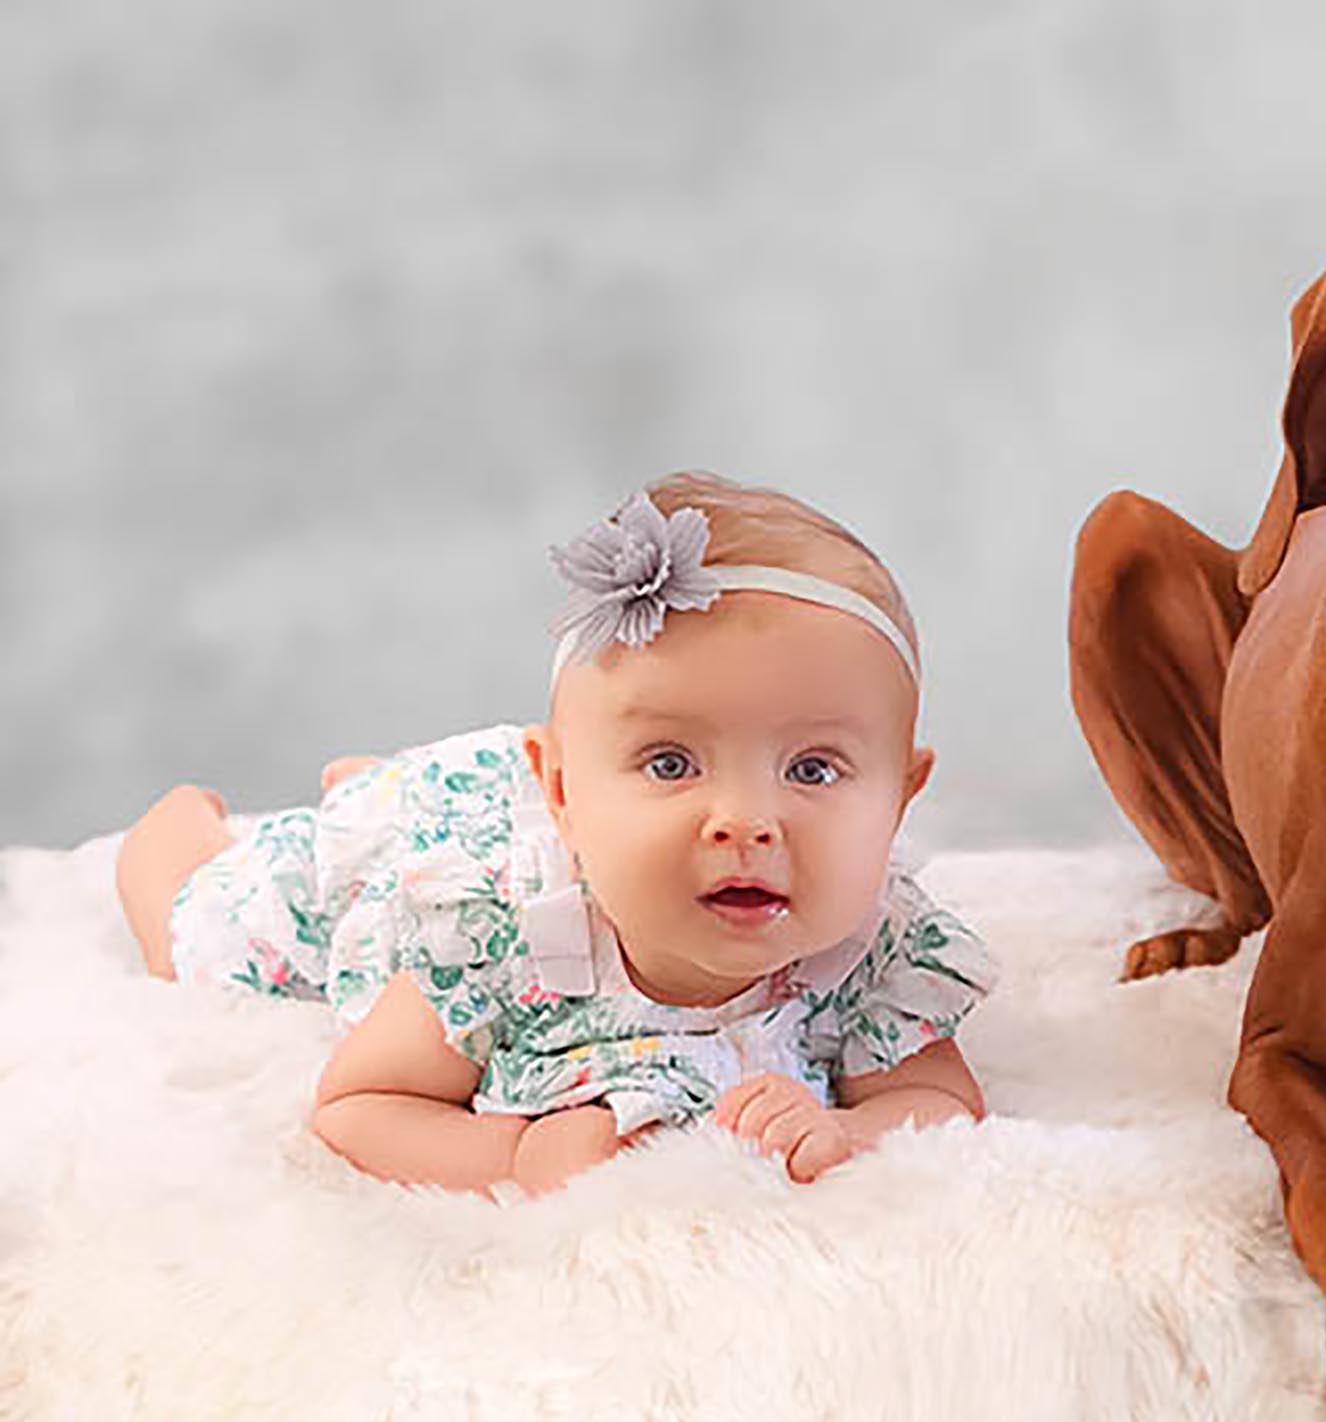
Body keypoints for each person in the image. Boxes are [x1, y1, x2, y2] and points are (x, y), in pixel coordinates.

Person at [114, 473, 994, 1195]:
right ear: (563, 791)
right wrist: (513, 1154)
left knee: (394, 794)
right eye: (671, 763)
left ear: (900, 797)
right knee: (211, 932)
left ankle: (381, 781)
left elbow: (936, 1096)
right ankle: (182, 832)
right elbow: (359, 1102)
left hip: (526, 788)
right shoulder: (500, 931)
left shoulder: (873, 943)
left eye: (812, 770)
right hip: (443, 843)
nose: (746, 824)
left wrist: (848, 1128)